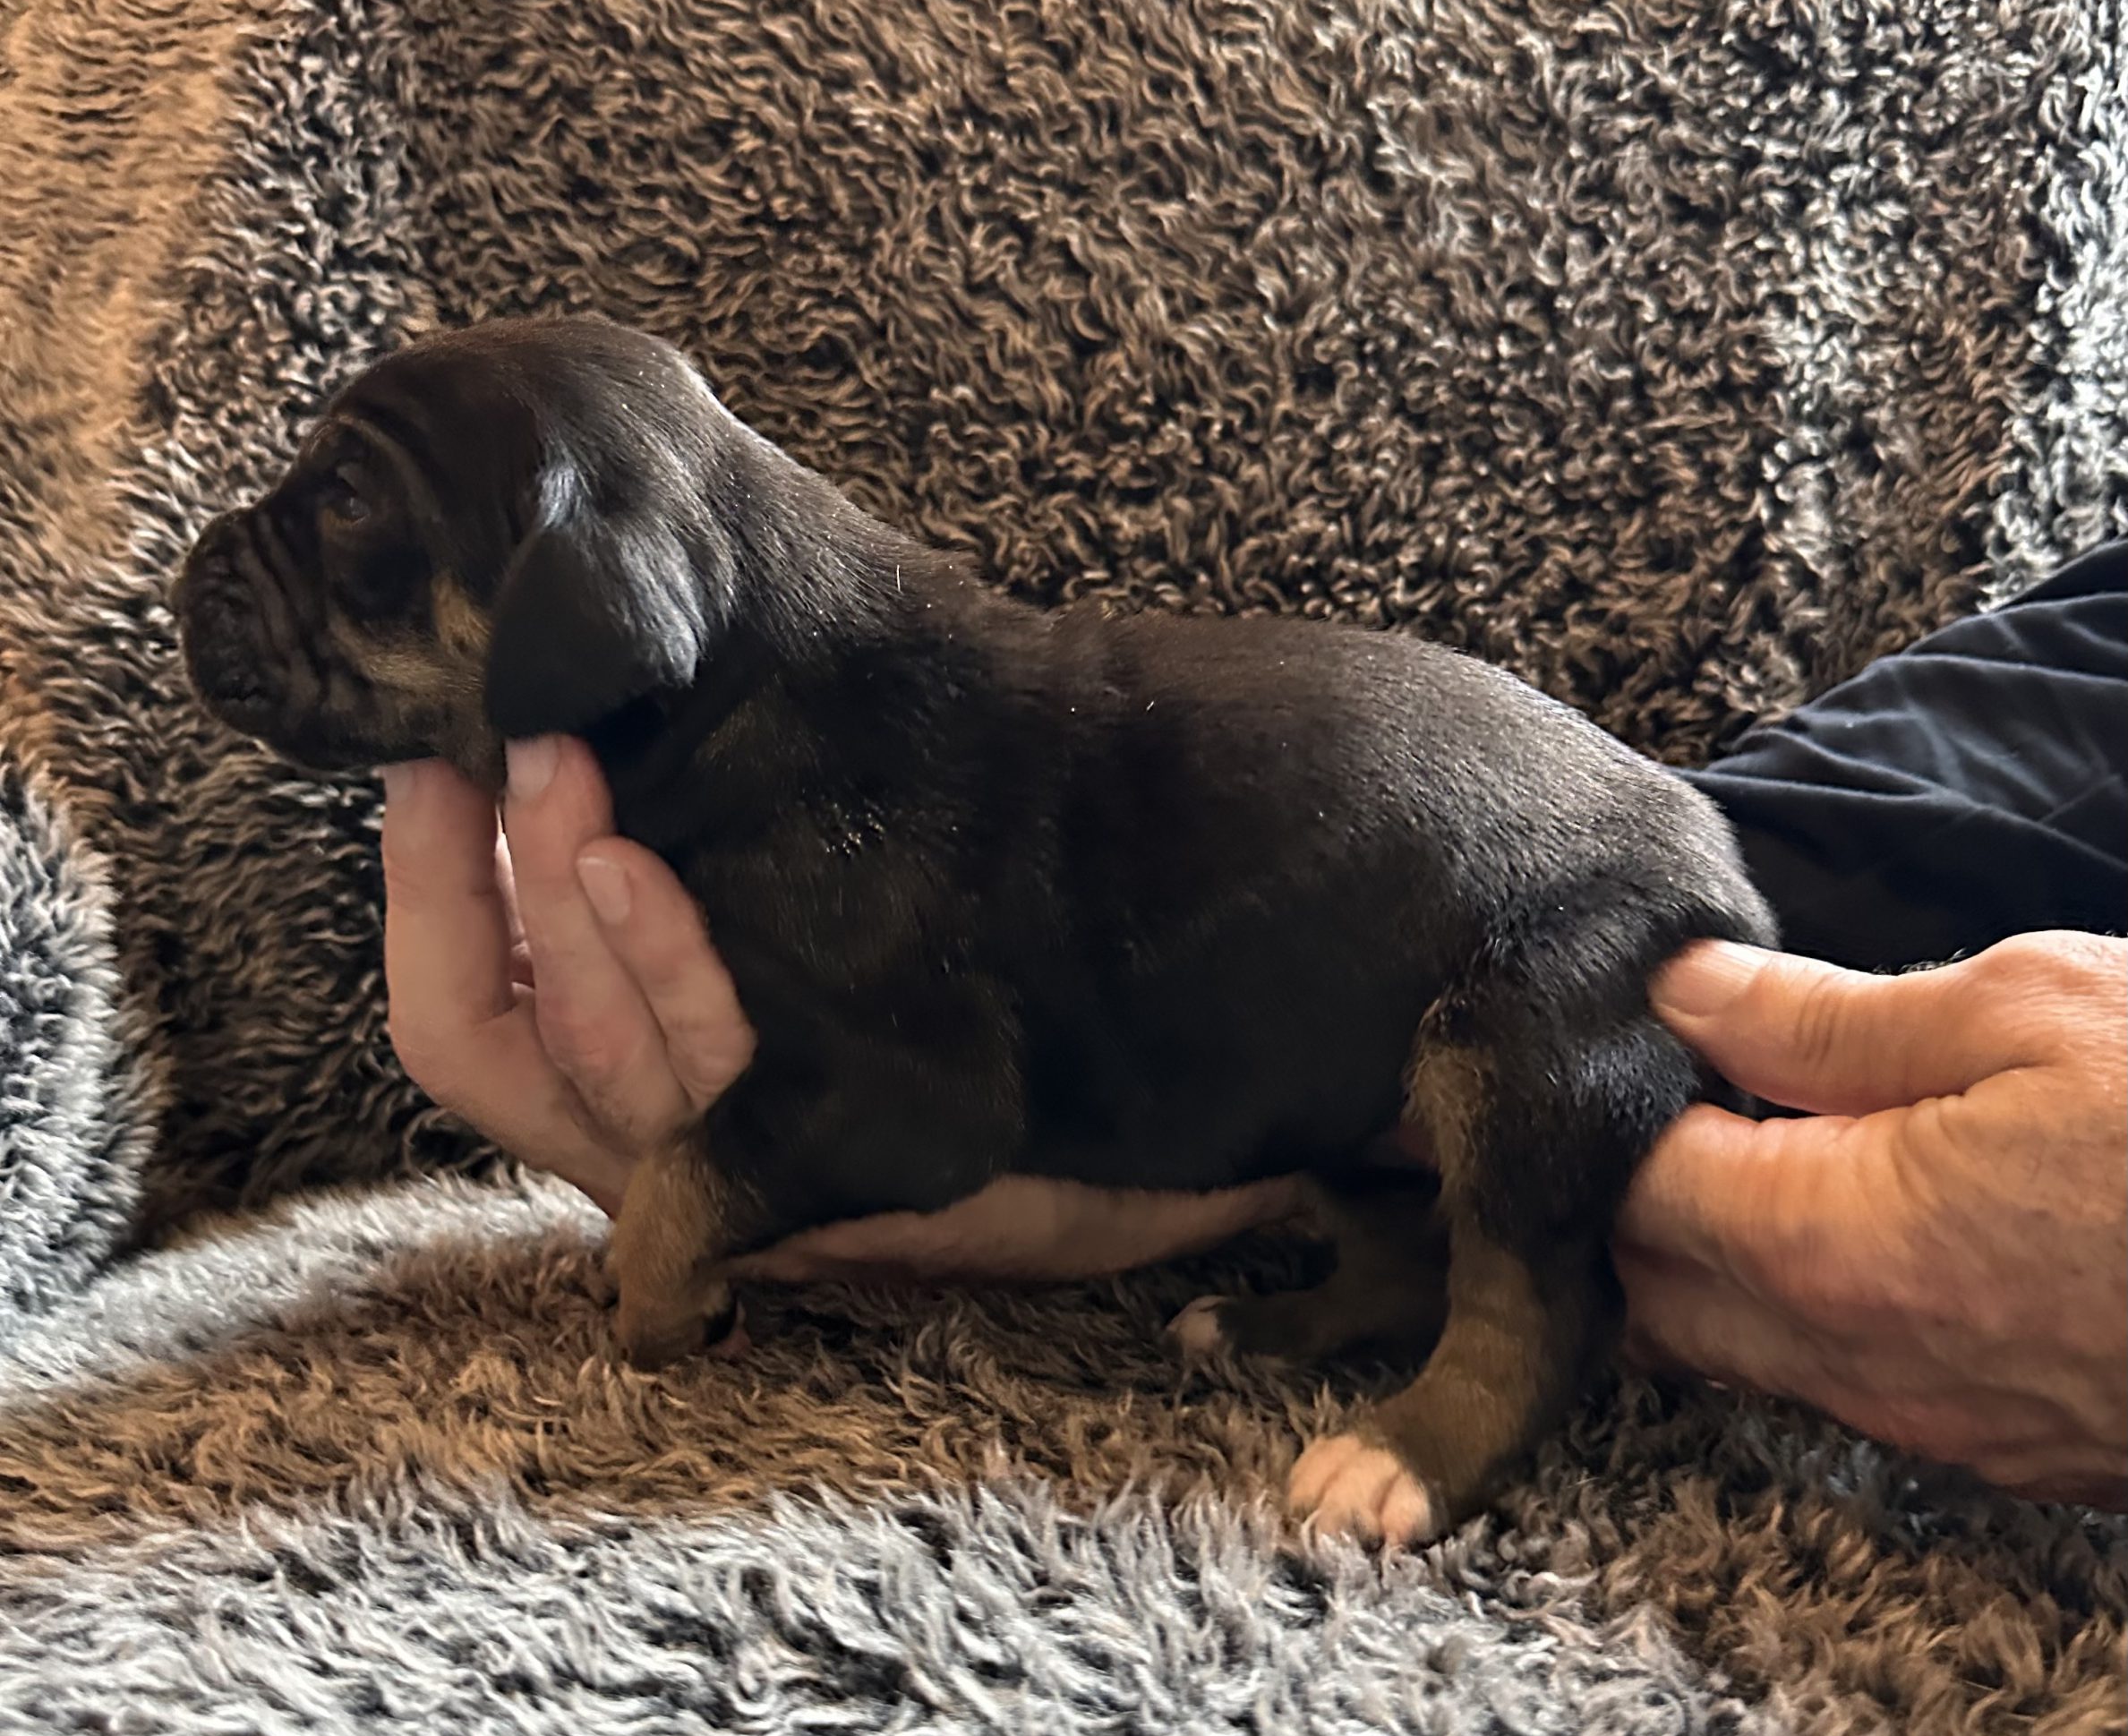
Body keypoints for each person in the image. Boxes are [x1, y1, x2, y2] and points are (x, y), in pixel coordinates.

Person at [379, 543, 2128, 1509]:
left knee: (1532, 1038)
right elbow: (2030, 722)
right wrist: (1160, 1111)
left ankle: (1477, 1390)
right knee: (1542, 995)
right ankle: (1385, 1264)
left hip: (1569, 926)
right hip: (1600, 897)